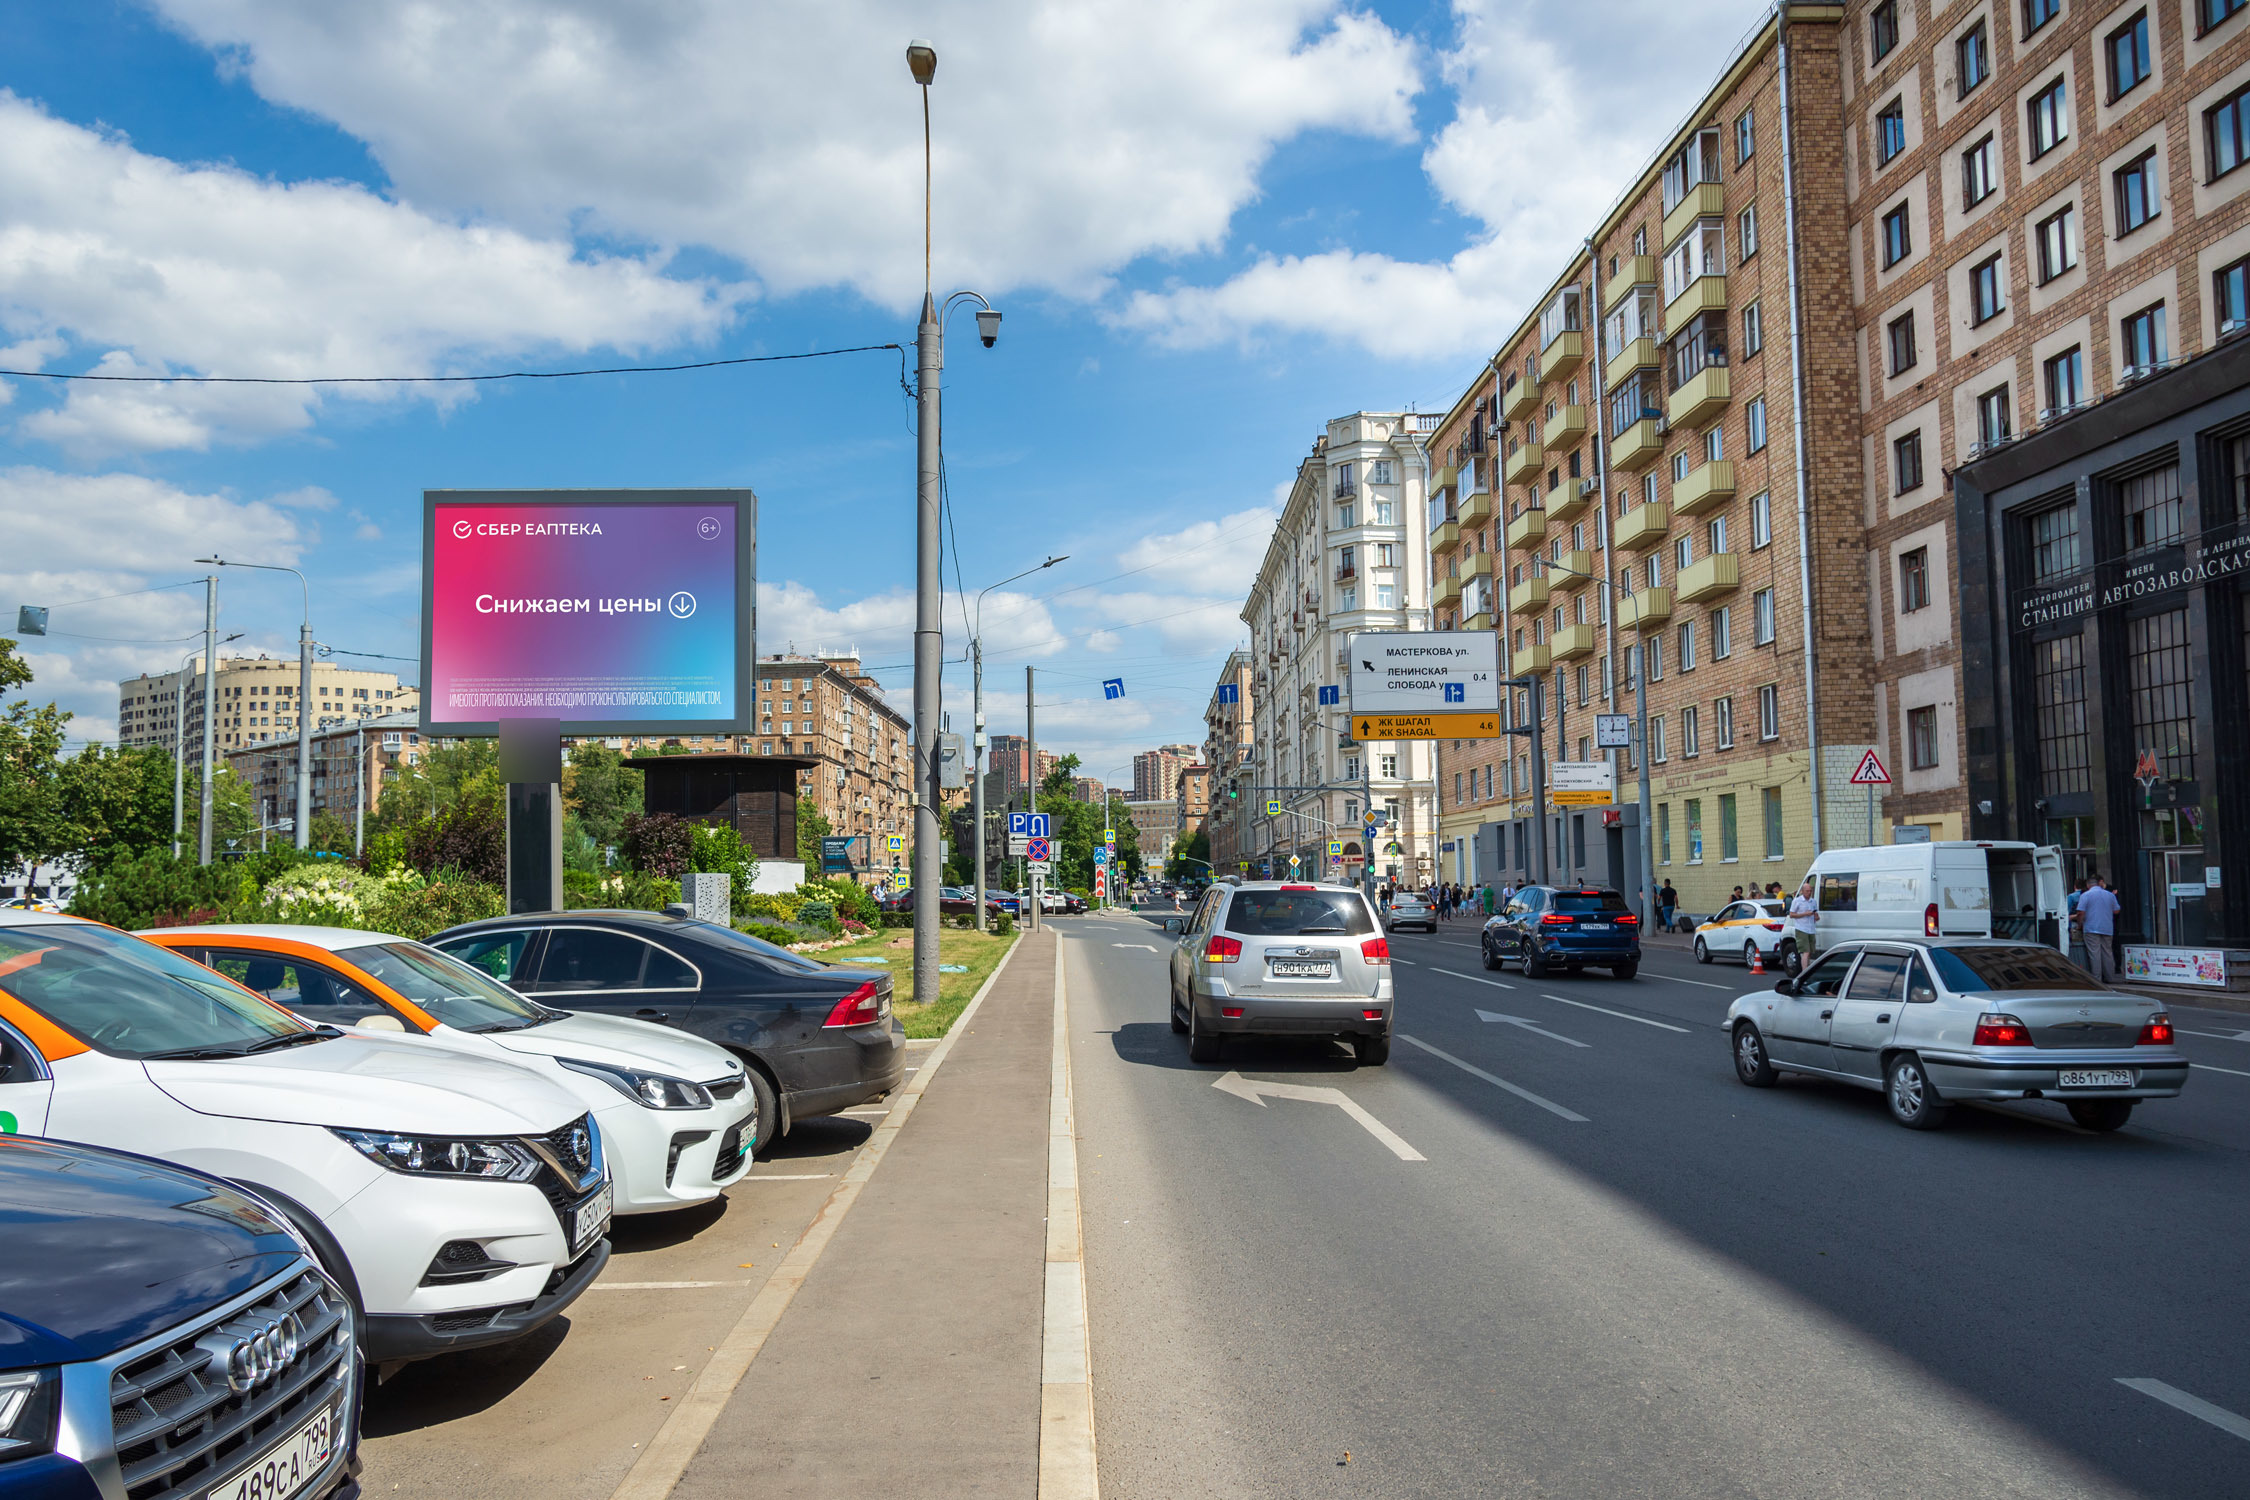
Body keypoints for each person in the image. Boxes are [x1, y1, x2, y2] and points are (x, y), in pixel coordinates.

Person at [2078, 874, 2121, 983]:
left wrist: (2080, 924)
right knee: (2107, 952)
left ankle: (2097, 979)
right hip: (2107, 927)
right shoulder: (2110, 895)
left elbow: (2081, 912)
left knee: (2094, 953)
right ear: (2099, 884)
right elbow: (2116, 910)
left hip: (2091, 927)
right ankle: (2110, 977)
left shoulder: (2085, 895)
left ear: (2088, 885)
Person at [1785, 879, 1820, 971]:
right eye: (1807, 891)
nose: (1809, 893)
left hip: (1811, 929)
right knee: (1806, 951)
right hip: (1802, 928)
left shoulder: (1813, 902)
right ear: (1802, 891)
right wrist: (1805, 914)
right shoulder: (1797, 901)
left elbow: (1816, 914)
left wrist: (1816, 916)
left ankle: (1806, 970)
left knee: (1810, 952)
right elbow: (1792, 914)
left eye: (1810, 891)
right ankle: (1804, 971)